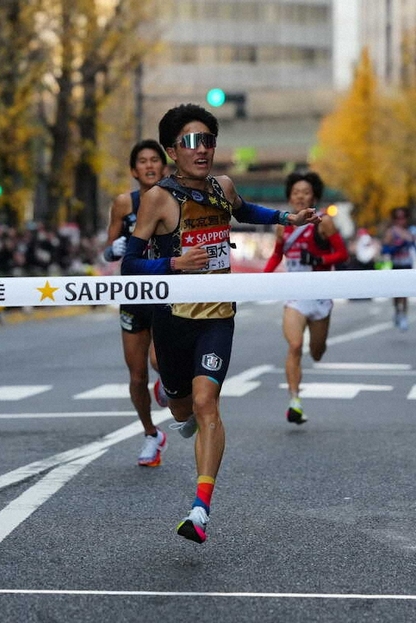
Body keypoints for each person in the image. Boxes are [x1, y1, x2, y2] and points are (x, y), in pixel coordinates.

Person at [121, 103, 320, 544]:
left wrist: (288, 217)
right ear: (174, 150)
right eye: (191, 142)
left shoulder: (221, 187)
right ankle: (170, 397)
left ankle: (200, 509)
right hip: (172, 319)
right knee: (182, 408)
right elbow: (129, 265)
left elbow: (245, 209)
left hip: (218, 316)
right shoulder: (158, 198)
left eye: (208, 140)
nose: (202, 149)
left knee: (207, 402)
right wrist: (173, 262)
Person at [102, 139, 170, 467]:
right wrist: (112, 250)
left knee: (161, 361)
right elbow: (107, 248)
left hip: (166, 292)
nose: (149, 166)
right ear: (134, 170)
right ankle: (150, 434)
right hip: (132, 294)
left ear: (164, 167)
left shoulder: (174, 201)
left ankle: (168, 386)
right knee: (137, 375)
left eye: (155, 160)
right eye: (142, 161)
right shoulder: (122, 204)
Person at [263, 171, 349, 424]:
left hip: (320, 294)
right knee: (295, 345)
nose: (300, 196)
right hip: (295, 294)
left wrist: (320, 260)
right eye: (296, 192)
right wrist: (261, 279)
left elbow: (342, 253)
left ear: (314, 196)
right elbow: (276, 255)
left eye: (306, 192)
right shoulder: (282, 226)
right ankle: (294, 402)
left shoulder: (323, 222)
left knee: (317, 351)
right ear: (290, 197)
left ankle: (318, 346)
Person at [382, 207, 416, 331]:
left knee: (406, 292)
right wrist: (397, 245)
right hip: (396, 264)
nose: (400, 221)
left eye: (403, 218)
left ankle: (404, 315)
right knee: (396, 292)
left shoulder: (410, 231)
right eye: (397, 218)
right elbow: (385, 249)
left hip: (407, 264)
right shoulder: (391, 232)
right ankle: (397, 310)